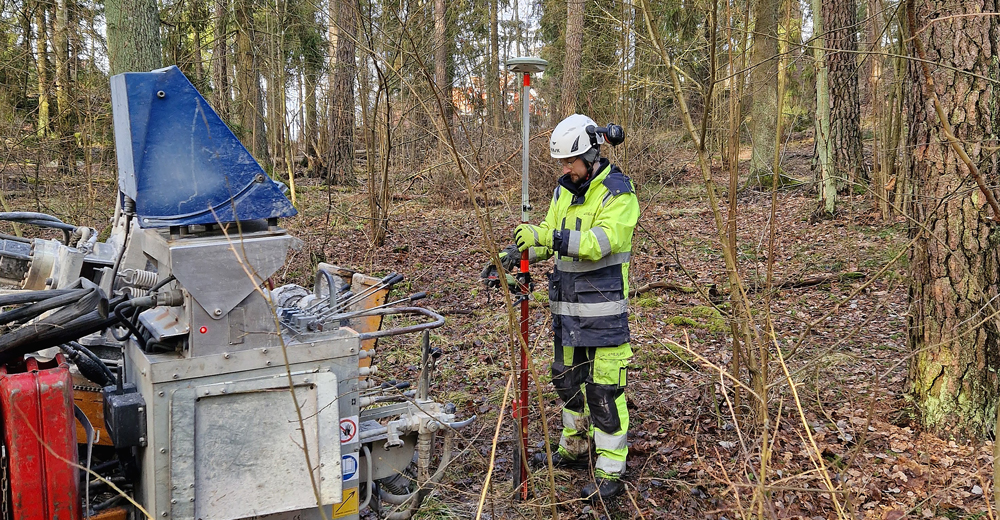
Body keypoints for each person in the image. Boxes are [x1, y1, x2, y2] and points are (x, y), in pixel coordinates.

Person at [514, 113, 640, 502]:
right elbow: (547, 240)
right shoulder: (562, 191)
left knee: (604, 391)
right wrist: (517, 254)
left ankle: (610, 471)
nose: (566, 170)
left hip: (603, 315)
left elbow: (600, 242)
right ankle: (575, 448)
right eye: (562, 164)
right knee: (567, 382)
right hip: (567, 310)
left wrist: (547, 235)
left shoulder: (619, 193)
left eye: (571, 162)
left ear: (592, 154)